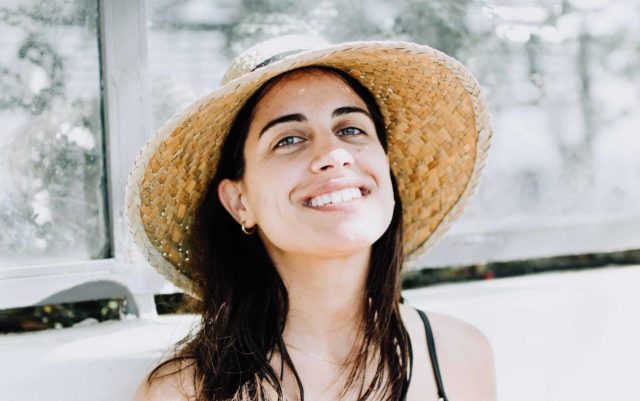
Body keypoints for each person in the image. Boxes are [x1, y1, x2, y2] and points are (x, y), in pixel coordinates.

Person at [127, 36, 496, 401]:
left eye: (351, 129)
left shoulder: (461, 355)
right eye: (288, 139)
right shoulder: (183, 392)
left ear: (386, 170)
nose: (334, 155)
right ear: (240, 202)